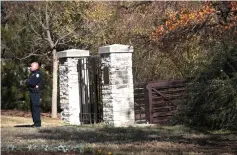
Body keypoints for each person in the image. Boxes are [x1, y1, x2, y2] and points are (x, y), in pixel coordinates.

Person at [26, 62, 42, 127]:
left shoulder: (37, 74)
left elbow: (31, 82)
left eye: (31, 66)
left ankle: (38, 123)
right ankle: (35, 122)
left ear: (36, 67)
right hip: (32, 92)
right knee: (33, 107)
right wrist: (28, 81)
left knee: (35, 107)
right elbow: (29, 82)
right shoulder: (33, 74)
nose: (30, 67)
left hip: (35, 93)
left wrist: (28, 81)